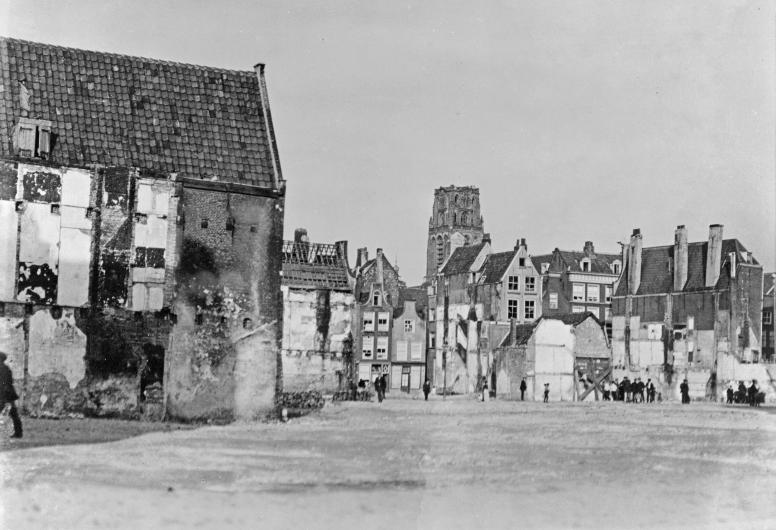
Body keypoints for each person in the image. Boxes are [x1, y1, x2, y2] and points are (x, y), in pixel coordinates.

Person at [0, 352, 22, 438]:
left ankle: (18, 432)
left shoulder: (2, 369)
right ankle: (18, 432)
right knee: (14, 414)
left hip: (3, 394)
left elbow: (3, 383)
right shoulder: (6, 368)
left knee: (13, 414)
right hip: (8, 394)